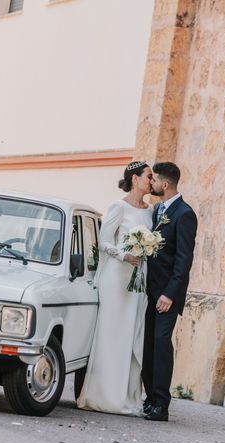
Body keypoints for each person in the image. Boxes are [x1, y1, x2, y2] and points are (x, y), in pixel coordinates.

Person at [77, 161, 153, 415]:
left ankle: (129, 396)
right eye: (148, 177)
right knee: (113, 335)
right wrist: (124, 255)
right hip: (117, 278)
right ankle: (105, 395)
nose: (151, 181)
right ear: (135, 179)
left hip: (139, 279)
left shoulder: (151, 210)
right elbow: (103, 242)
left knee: (132, 334)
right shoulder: (117, 207)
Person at [143, 162, 197, 421]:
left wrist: (170, 294)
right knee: (148, 343)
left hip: (166, 294)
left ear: (165, 185)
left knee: (162, 344)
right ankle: (149, 397)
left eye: (154, 180)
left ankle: (161, 404)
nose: (150, 183)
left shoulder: (185, 214)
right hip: (147, 290)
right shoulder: (155, 211)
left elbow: (184, 259)